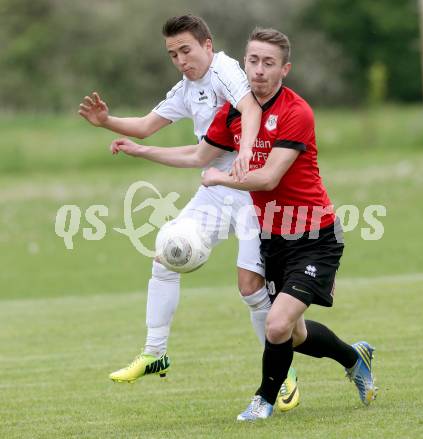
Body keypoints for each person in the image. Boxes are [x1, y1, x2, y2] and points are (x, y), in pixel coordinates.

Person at [79, 15, 299, 411]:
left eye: (187, 50)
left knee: (251, 290)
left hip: (252, 192)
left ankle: (283, 375)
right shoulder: (187, 88)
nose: (181, 59)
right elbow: (148, 126)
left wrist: (247, 151)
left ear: (207, 46)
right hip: (215, 188)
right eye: (173, 54)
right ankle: (155, 351)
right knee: (166, 254)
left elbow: (250, 108)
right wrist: (106, 122)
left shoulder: (226, 71)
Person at [198, 27, 378, 421]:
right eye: (252, 60)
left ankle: (263, 400)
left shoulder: (296, 112)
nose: (259, 70)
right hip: (272, 237)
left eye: (268, 63)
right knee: (292, 334)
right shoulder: (233, 111)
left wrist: (219, 177)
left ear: (285, 69)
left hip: (314, 235)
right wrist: (138, 146)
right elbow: (199, 154)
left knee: (276, 325)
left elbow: (267, 179)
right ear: (243, 63)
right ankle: (355, 357)